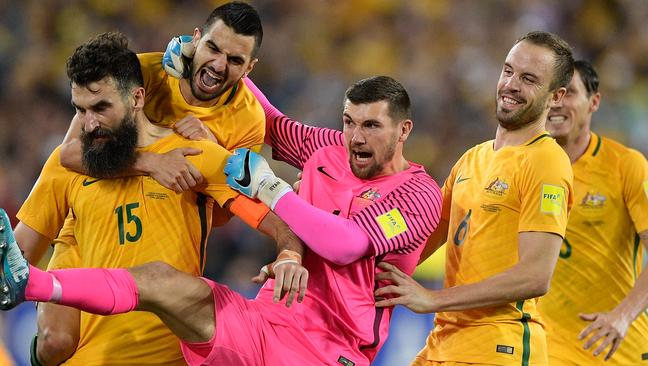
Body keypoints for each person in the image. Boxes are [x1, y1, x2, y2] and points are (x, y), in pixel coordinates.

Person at [1, 75, 442, 366]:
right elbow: (267, 120)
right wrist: (210, 57)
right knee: (159, 280)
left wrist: (272, 190)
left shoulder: (419, 195)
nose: (355, 138)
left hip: (327, 352)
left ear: (404, 131)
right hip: (266, 320)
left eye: (371, 126)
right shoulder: (328, 149)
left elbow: (345, 244)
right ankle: (28, 282)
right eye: (348, 122)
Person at [11, 31, 305, 366]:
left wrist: (289, 258)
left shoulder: (195, 154)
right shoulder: (69, 164)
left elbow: (281, 224)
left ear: (137, 98)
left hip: (169, 356)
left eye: (102, 107)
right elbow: (18, 257)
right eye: (80, 110)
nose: (89, 124)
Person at [374, 31, 575, 365]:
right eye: (508, 71)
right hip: (443, 345)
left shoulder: (546, 162)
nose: (511, 84)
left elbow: (536, 275)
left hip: (498, 347)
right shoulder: (472, 159)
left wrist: (433, 298)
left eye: (528, 79)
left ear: (556, 97)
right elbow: (415, 236)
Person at [538, 60, 648, 364]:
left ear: (594, 102)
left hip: (615, 350)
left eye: (569, 93)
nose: (557, 103)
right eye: (552, 94)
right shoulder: (524, 168)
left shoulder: (626, 166)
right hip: (547, 351)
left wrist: (623, 316)